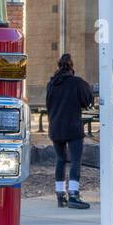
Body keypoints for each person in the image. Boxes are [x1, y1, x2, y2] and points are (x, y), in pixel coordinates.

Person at [45, 53, 95, 209]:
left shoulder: (51, 84)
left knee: (61, 160)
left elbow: (48, 104)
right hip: (73, 127)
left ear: (59, 66)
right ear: (71, 67)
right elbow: (87, 101)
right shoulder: (77, 83)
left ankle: (60, 196)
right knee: (75, 161)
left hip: (55, 127)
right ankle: (74, 194)